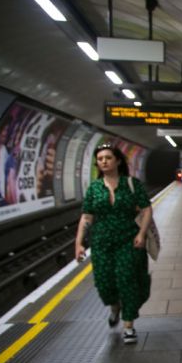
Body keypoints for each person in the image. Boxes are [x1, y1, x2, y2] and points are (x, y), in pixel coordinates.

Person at [74, 144, 152, 344]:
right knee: (104, 282)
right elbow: (86, 217)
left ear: (117, 161)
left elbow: (146, 209)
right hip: (101, 243)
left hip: (128, 240)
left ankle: (128, 325)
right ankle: (114, 306)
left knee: (127, 279)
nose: (104, 162)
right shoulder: (94, 188)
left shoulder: (132, 184)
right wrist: (79, 243)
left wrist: (142, 234)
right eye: (100, 159)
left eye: (108, 158)